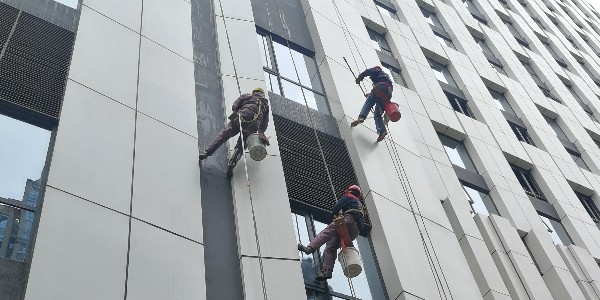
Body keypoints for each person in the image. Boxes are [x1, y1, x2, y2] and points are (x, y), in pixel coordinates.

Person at [297, 185, 365, 281]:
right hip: (355, 232)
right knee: (331, 246)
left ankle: (310, 248)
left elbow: (336, 208)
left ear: (349, 191)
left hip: (348, 220)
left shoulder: (348, 197)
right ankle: (327, 271)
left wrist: (336, 216)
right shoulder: (360, 205)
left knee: (327, 232)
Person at [199, 88, 270, 177]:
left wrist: (236, 113)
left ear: (254, 92)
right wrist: (261, 132)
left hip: (241, 115)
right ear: (262, 94)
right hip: (254, 124)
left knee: (224, 134)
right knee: (241, 146)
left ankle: (207, 152)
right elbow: (265, 123)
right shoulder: (265, 105)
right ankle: (232, 162)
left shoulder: (247, 95)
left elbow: (234, 106)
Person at [350, 66, 394, 142]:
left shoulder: (377, 70)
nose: (370, 78)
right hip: (388, 94)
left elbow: (368, 71)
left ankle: (361, 117)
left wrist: (360, 78)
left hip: (381, 87)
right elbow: (383, 90)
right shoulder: (386, 78)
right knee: (377, 114)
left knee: (369, 102)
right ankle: (382, 131)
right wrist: (371, 94)